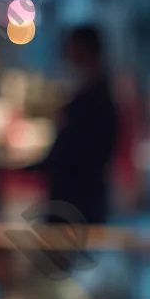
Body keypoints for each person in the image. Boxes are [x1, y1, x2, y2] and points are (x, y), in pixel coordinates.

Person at [34, 25, 118, 226]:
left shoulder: (94, 98)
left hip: (76, 201)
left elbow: (75, 152)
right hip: (80, 199)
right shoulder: (95, 92)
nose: (68, 54)